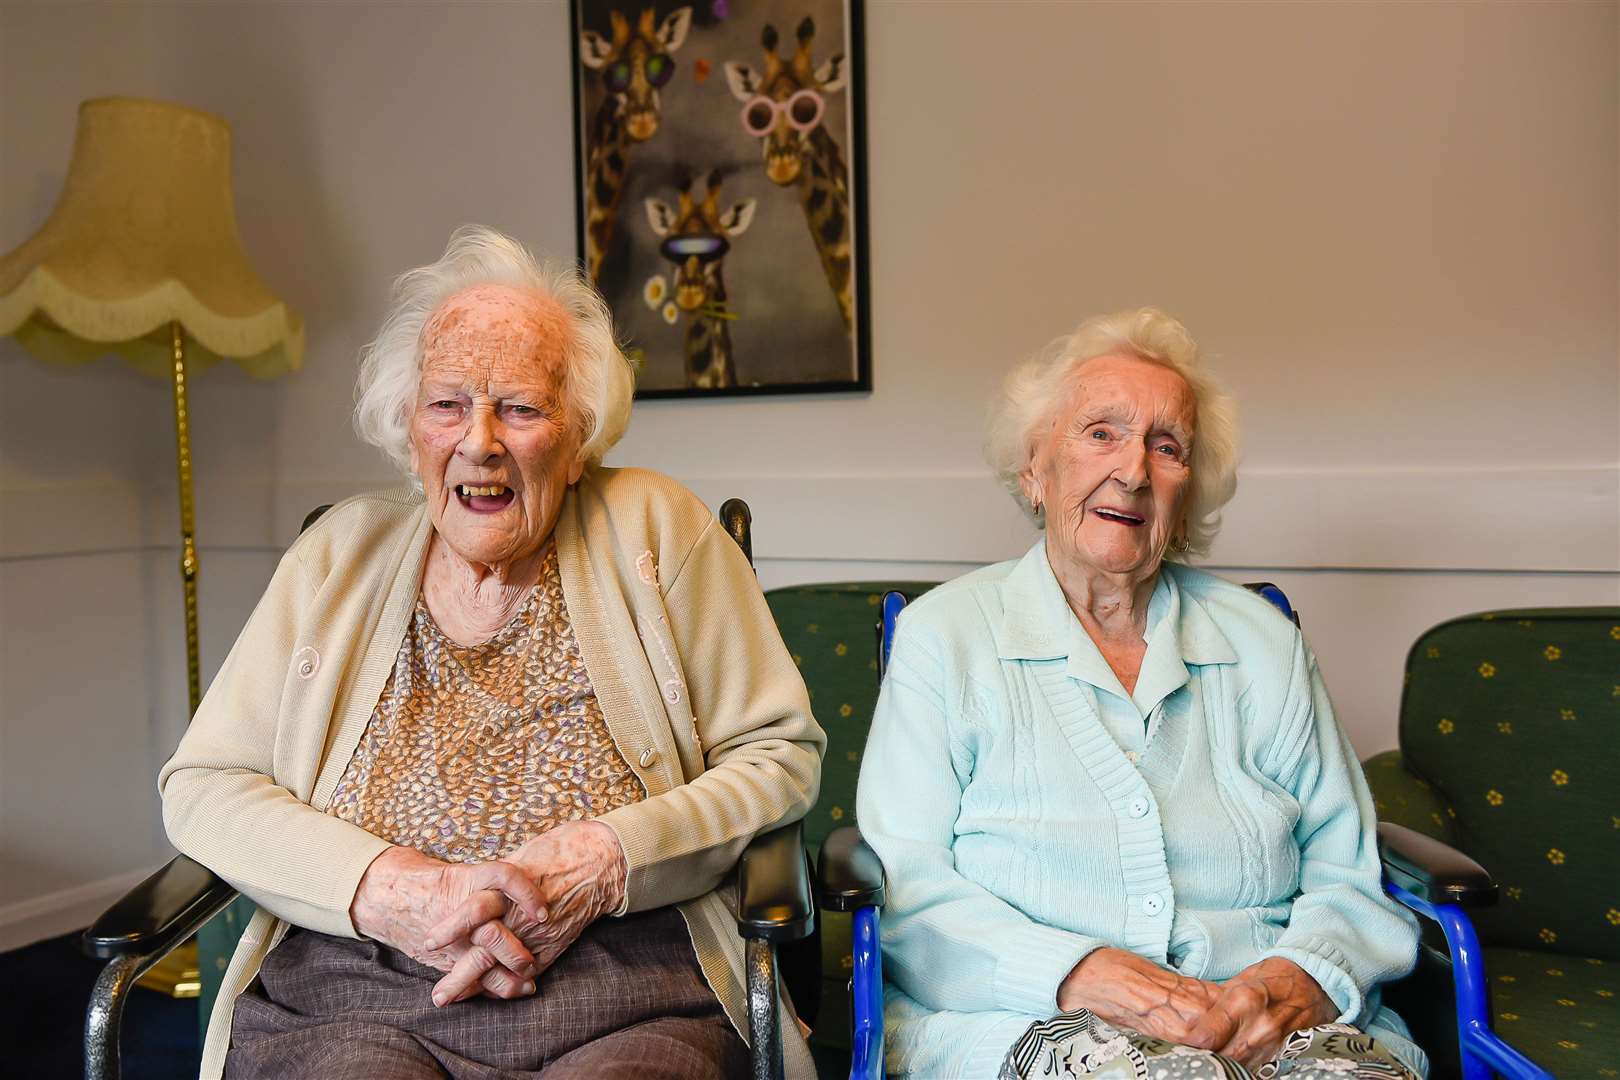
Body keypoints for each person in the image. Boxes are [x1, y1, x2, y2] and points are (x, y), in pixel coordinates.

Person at [159, 226, 824, 1080]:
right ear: (409, 430)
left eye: (519, 407)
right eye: (446, 405)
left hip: (627, 988)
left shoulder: (659, 529)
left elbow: (779, 757)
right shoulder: (336, 557)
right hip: (355, 989)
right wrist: (390, 890)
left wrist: (608, 857)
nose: (479, 441)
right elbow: (205, 786)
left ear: (579, 437)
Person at [856, 308, 1425, 1079]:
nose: (1132, 471)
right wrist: (1081, 971)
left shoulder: (1263, 644)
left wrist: (1293, 980)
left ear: (1188, 492)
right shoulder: (945, 638)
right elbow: (907, 885)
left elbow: (1348, 872)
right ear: (1034, 468)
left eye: (1167, 446)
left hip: (1265, 1021)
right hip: (1030, 1017)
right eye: (1101, 433)